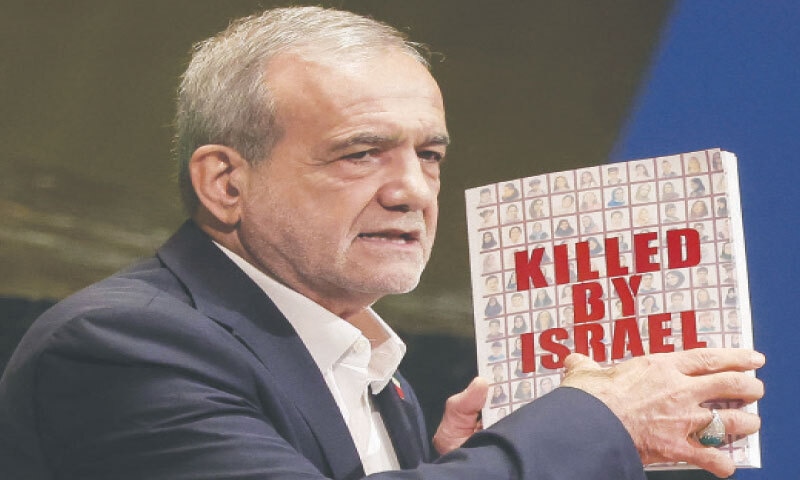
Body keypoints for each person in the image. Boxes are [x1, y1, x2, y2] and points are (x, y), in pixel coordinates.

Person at [0, 7, 764, 480]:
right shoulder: (120, 344)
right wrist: (596, 423)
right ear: (226, 183)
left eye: (428, 154)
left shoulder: (376, 376)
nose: (413, 191)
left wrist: (458, 463)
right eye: (360, 153)